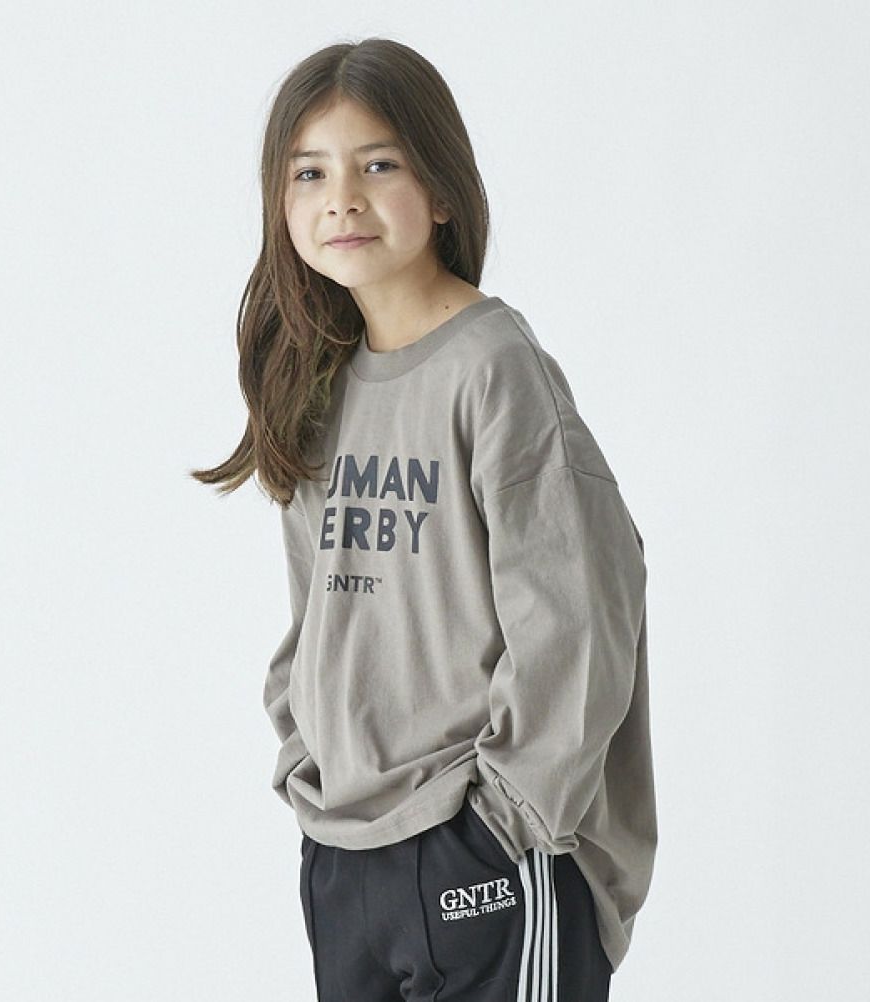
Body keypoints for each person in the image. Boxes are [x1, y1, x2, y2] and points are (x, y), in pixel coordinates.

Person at [191, 36, 655, 1002]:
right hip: (344, 851)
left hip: (482, 851)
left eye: (378, 165)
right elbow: (318, 606)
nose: (341, 200)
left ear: (441, 189)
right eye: (309, 173)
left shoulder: (494, 367)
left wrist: (504, 819)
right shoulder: (318, 381)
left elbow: (582, 609)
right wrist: (306, 755)